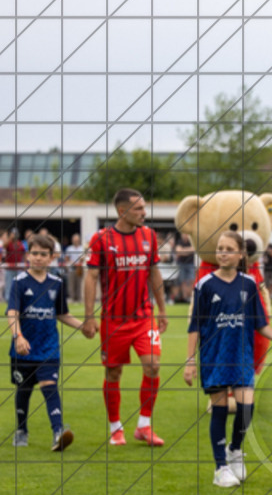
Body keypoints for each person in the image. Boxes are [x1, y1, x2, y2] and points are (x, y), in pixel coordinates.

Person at [184, 231, 272, 488]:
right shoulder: (204, 285)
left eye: (228, 249)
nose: (223, 253)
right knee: (218, 411)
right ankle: (220, 468)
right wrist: (190, 361)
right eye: (220, 249)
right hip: (214, 357)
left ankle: (235, 449)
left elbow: (260, 323)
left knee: (246, 409)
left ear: (240, 255)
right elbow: (194, 326)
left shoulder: (249, 284)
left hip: (241, 357)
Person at [82, 189, 169, 446]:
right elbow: (91, 277)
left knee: (153, 365)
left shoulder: (149, 236)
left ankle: (144, 425)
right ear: (123, 211)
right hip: (114, 320)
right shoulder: (101, 239)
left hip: (143, 317)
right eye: (139, 209)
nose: (145, 213)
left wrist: (162, 310)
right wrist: (89, 317)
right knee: (113, 373)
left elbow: (154, 273)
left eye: (144, 207)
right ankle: (115, 427)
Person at [6, 234, 82, 451]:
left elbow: (62, 314)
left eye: (43, 254)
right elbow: (13, 313)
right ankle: (21, 430)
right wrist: (18, 336)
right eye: (35, 253)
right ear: (28, 255)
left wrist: (82, 326)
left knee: (50, 387)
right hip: (23, 348)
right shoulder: (20, 282)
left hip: (49, 348)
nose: (38, 258)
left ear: (51, 258)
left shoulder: (57, 283)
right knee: (24, 389)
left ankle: (58, 432)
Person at [4, 228, 25, 305]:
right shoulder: (9, 243)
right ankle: (7, 300)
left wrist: (24, 264)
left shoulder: (20, 243)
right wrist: (10, 237)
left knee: (19, 284)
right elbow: (4, 246)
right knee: (9, 284)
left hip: (18, 267)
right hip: (9, 268)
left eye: (15, 234)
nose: (14, 235)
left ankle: (18, 298)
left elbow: (24, 253)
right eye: (13, 233)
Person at [64, 233, 85, 303]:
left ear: (79, 240)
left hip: (79, 268)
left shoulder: (82, 248)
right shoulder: (69, 248)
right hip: (71, 268)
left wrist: (79, 262)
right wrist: (73, 263)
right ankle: (72, 298)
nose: (76, 241)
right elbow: (66, 258)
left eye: (77, 240)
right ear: (72, 240)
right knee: (71, 284)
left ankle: (79, 298)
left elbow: (83, 258)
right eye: (74, 240)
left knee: (79, 284)